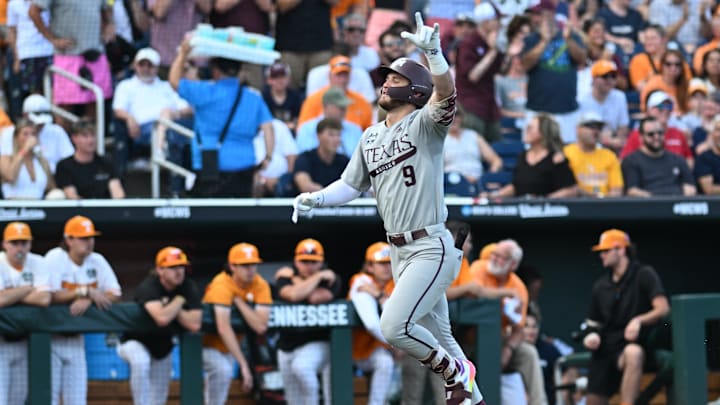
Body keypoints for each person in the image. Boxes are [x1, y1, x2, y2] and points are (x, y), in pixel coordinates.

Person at [292, 13, 486, 405]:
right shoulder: (370, 135)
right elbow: (350, 186)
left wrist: (434, 55)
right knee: (443, 337)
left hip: (429, 243)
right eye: (386, 77)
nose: (385, 82)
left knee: (395, 327)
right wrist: (317, 199)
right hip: (398, 250)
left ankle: (453, 372)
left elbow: (447, 96)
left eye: (395, 79)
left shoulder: (424, 123)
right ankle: (473, 399)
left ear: (415, 90)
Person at [169, 38, 275, 198]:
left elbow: (174, 81)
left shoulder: (206, 91)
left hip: (209, 165)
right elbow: (268, 128)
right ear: (239, 71)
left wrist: (183, 53)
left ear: (215, 70)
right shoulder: (254, 97)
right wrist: (268, 157)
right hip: (244, 168)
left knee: (206, 218)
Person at [582, 229, 670, 405]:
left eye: (606, 251)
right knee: (593, 400)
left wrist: (639, 320)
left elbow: (663, 308)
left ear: (621, 250)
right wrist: (591, 335)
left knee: (633, 353)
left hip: (633, 343)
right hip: (605, 348)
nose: (602, 256)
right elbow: (593, 322)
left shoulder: (643, 274)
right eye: (601, 252)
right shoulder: (600, 285)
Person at [45, 215, 122, 405]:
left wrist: (89, 299)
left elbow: (115, 294)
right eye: (83, 238)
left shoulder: (97, 261)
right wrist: (84, 291)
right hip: (50, 338)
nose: (90, 242)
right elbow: (49, 296)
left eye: (91, 237)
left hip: (77, 340)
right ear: (69, 240)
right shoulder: (54, 258)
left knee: (77, 400)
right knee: (49, 399)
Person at [117, 246, 202, 405]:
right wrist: (179, 301)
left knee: (158, 399)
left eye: (181, 267)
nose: (179, 272)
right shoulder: (149, 286)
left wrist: (172, 304)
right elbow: (162, 318)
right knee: (140, 361)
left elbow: (195, 324)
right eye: (172, 267)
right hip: (134, 341)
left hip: (163, 347)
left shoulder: (188, 286)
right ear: (160, 270)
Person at [470, 238, 548, 405]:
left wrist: (509, 349)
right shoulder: (480, 267)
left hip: (499, 340)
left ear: (512, 265)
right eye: (494, 254)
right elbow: (477, 291)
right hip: (469, 338)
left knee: (528, 353)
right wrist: (506, 294)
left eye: (500, 257)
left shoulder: (518, 287)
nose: (494, 258)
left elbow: (519, 329)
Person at [202, 242, 272, 405]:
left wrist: (239, 302)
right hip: (205, 344)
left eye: (253, 265)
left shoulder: (260, 284)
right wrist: (243, 364)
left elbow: (260, 326)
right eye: (245, 265)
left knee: (221, 381)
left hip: (230, 347)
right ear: (232, 266)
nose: (250, 270)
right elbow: (223, 327)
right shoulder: (221, 283)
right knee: (222, 371)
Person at [274, 238, 342, 405]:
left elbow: (315, 298)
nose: (309, 266)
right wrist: (317, 278)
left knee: (302, 367)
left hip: (318, 342)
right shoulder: (285, 277)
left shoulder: (331, 279)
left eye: (314, 262)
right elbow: (292, 295)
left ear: (321, 263)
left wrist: (300, 282)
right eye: (304, 261)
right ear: (296, 262)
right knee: (292, 396)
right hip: (286, 344)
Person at [112, 47, 193, 178]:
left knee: (168, 117)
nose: (146, 68)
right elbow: (118, 110)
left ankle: (161, 149)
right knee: (165, 121)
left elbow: (187, 108)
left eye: (150, 65)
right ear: (135, 65)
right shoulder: (126, 85)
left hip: (169, 126)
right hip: (141, 129)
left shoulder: (167, 86)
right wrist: (129, 118)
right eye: (142, 64)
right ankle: (161, 150)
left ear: (157, 67)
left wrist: (174, 114)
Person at [0, 221, 51, 405]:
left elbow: (44, 299)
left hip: (24, 342)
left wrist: (11, 293)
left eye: (24, 242)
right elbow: (0, 301)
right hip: (1, 343)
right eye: (14, 243)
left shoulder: (38, 262)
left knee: (18, 400)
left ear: (30, 244)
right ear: (4, 244)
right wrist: (28, 289)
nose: (19, 248)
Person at [348, 242, 397, 405]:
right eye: (382, 263)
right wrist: (398, 345)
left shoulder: (395, 284)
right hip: (350, 351)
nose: (387, 268)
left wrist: (380, 296)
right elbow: (371, 325)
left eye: (390, 263)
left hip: (377, 350)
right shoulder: (360, 279)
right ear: (369, 266)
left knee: (386, 363)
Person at [621, 117, 696, 197]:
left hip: (677, 203)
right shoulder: (631, 161)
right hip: (648, 205)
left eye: (660, 133)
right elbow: (632, 191)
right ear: (641, 137)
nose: (656, 137)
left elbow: (690, 186)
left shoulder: (678, 159)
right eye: (651, 134)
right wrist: (657, 201)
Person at [54, 119, 126, 199]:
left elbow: (117, 193)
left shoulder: (107, 163)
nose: (90, 140)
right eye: (85, 136)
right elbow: (71, 196)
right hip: (78, 210)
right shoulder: (64, 166)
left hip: (106, 209)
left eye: (93, 135)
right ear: (74, 138)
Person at [563, 111, 624, 198]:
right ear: (578, 129)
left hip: (605, 206)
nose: (596, 131)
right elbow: (567, 190)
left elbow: (617, 190)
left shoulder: (609, 156)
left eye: (599, 128)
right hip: (575, 205)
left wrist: (598, 198)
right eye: (590, 127)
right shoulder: (566, 154)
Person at [0, 118, 59, 199]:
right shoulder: (6, 158)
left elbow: (51, 187)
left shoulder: (42, 161)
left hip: (37, 209)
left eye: (33, 134)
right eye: (25, 134)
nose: (30, 138)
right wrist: (24, 149)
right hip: (13, 209)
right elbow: (10, 177)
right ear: (16, 137)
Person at [293, 117, 349, 193]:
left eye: (338, 135)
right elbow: (305, 186)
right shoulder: (305, 158)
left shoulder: (344, 161)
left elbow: (353, 185)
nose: (336, 139)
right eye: (331, 134)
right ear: (319, 136)